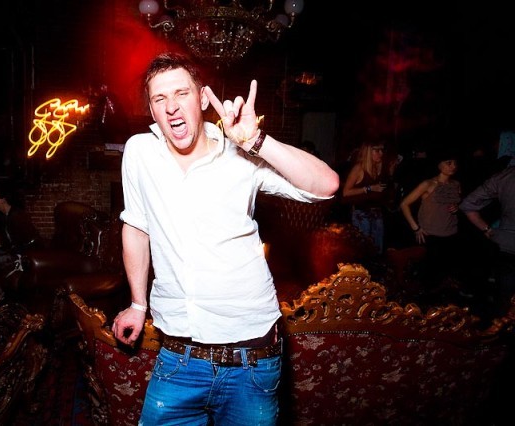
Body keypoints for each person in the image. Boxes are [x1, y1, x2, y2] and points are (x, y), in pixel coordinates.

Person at [111, 52, 339, 425]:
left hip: (252, 360)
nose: (171, 107)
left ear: (202, 99)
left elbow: (326, 185)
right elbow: (136, 226)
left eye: (181, 93)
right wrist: (138, 304)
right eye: (159, 99)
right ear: (151, 110)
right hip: (178, 358)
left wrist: (257, 140)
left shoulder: (240, 153)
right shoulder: (140, 152)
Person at [459, 141, 515, 316]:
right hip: (506, 246)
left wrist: (486, 229)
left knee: (504, 298)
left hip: (507, 245)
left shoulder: (505, 176)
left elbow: (467, 205)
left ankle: (501, 327)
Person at [398, 149, 463, 296]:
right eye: (449, 163)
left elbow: (455, 202)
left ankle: (441, 302)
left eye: (455, 163)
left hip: (451, 234)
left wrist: (456, 207)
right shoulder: (428, 184)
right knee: (428, 275)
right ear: (439, 165)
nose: (453, 166)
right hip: (430, 235)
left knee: (445, 274)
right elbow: (404, 204)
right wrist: (416, 228)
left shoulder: (456, 184)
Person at [341, 140, 398, 254]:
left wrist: (391, 173)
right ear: (368, 152)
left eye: (381, 150)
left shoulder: (380, 167)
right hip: (362, 213)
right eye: (377, 150)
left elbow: (387, 189)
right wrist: (369, 188)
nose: (381, 153)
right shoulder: (359, 168)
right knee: (364, 249)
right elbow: (346, 192)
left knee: (377, 248)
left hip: (377, 212)